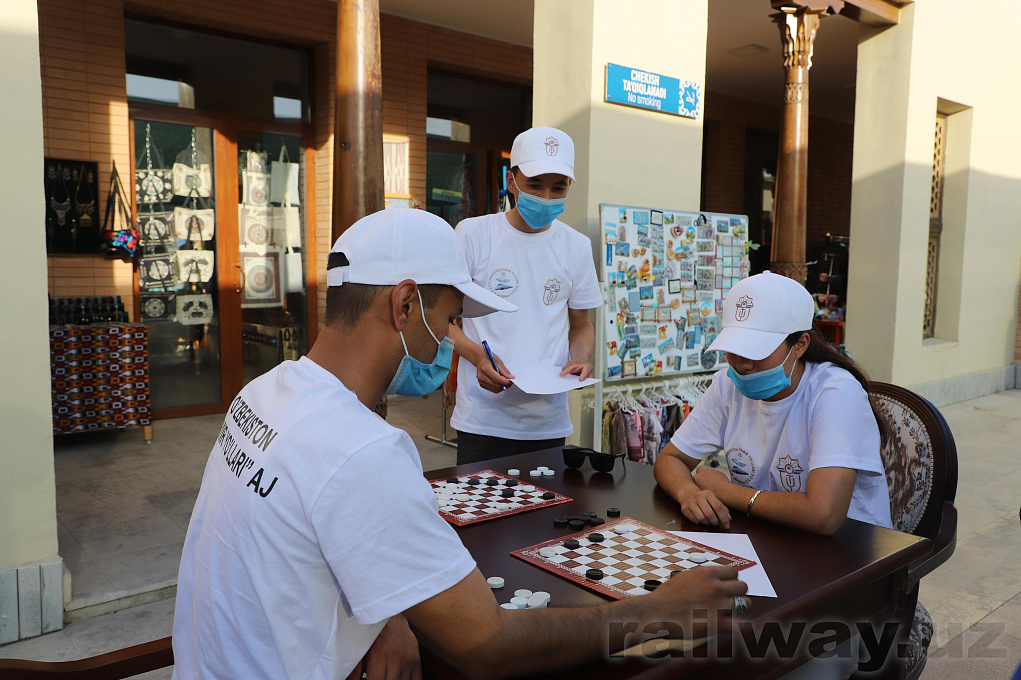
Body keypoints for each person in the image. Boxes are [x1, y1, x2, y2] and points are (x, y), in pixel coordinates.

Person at [172, 208, 748, 680]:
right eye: (449, 320)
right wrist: (657, 611)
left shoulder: (265, 392)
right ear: (403, 305)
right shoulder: (363, 449)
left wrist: (388, 613)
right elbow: (489, 645)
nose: (449, 343)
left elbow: (305, 548)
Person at [654, 271, 893, 536]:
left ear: (799, 345)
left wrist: (728, 492)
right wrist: (688, 493)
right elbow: (670, 459)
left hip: (848, 548)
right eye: (734, 348)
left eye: (757, 350)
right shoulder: (727, 384)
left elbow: (823, 515)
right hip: (769, 535)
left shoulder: (836, 392)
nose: (742, 364)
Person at [449, 125, 603, 464]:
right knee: (480, 499)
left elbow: (581, 325)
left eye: (558, 187)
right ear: (511, 180)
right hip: (482, 418)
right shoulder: (473, 235)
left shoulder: (576, 246)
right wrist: (478, 357)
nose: (546, 197)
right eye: (535, 185)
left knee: (546, 500)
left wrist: (579, 358)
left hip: (548, 422)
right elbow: (441, 320)